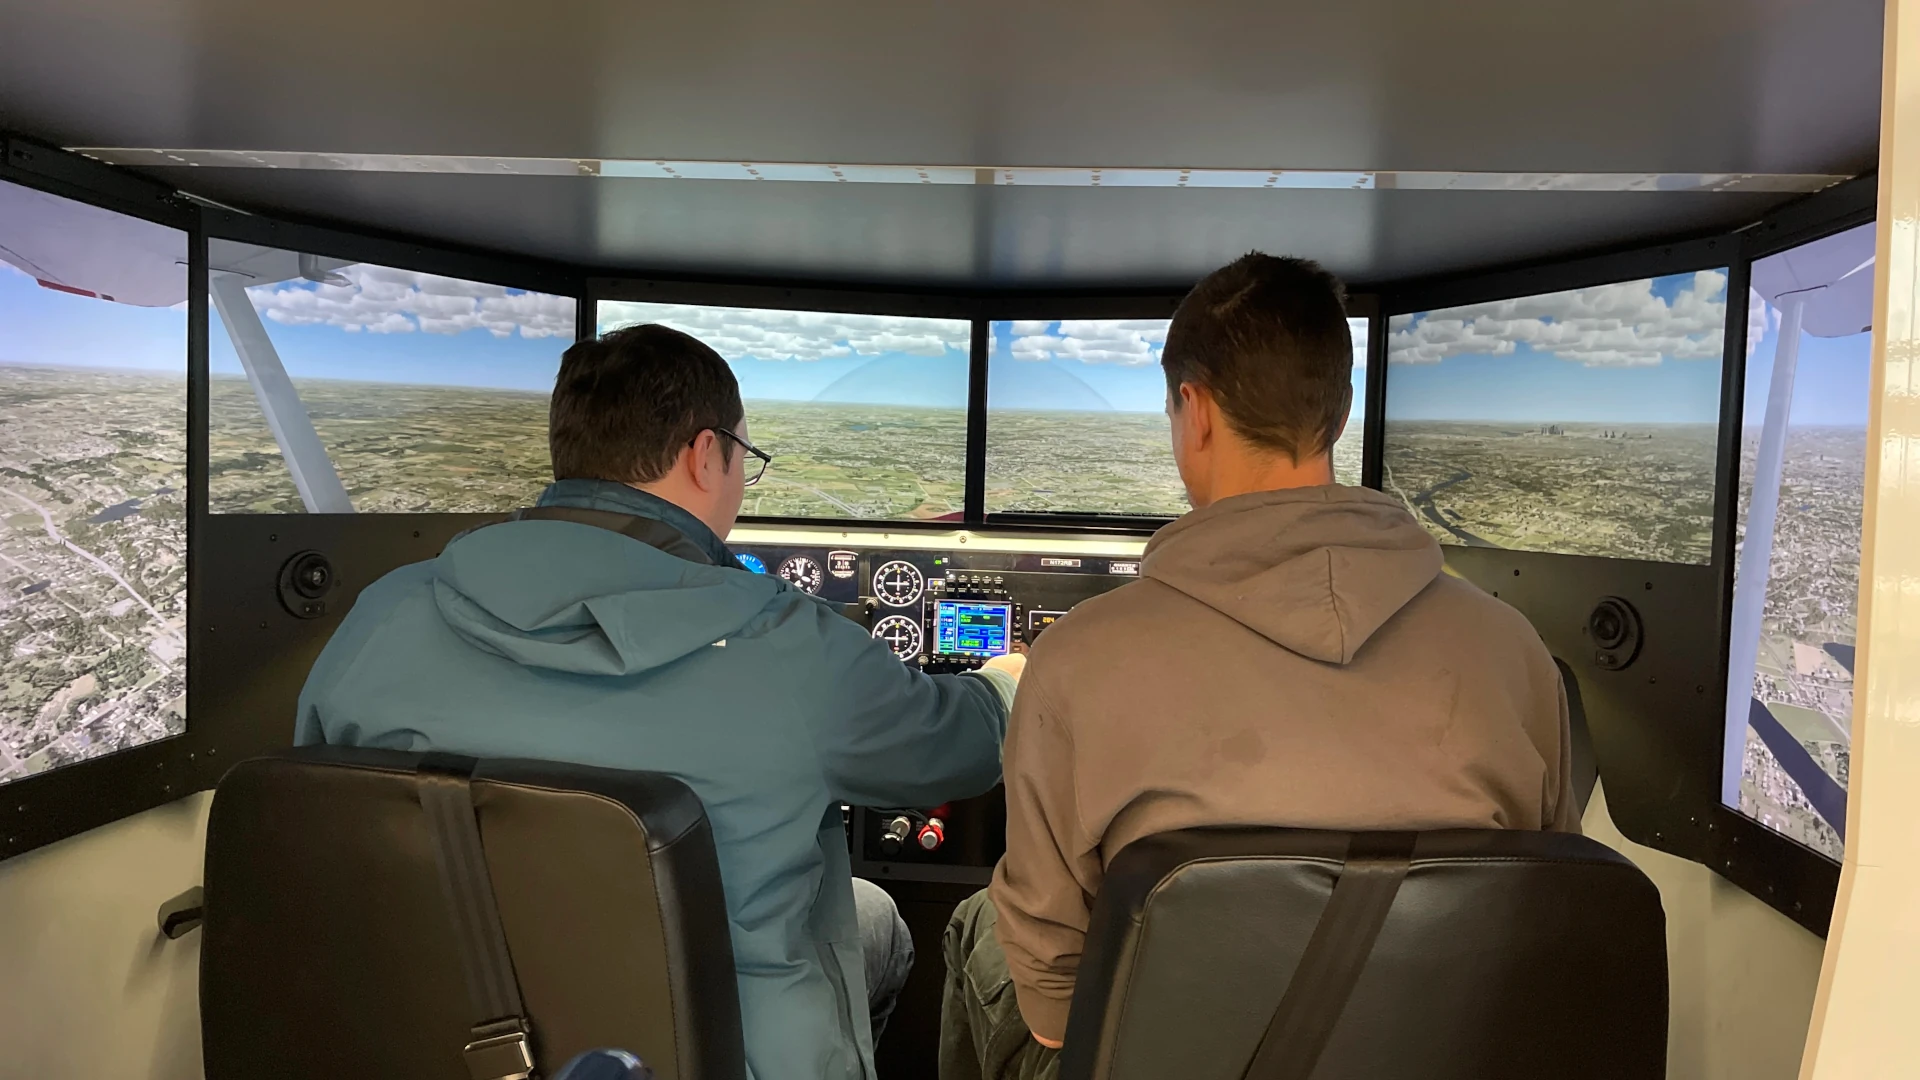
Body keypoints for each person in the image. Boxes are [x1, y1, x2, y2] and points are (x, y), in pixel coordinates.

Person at [295, 324, 1025, 1080]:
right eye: (745, 457)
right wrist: (1007, 680)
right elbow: (959, 753)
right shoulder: (785, 643)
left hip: (449, 1038)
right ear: (705, 455)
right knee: (878, 919)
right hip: (714, 1054)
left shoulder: (382, 615)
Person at [939, 254, 1578, 1080]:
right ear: (1338, 416)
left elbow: (1054, 1004)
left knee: (975, 923)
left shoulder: (1077, 662)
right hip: (1427, 1058)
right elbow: (1549, 921)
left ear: (1194, 410)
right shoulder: (1514, 653)